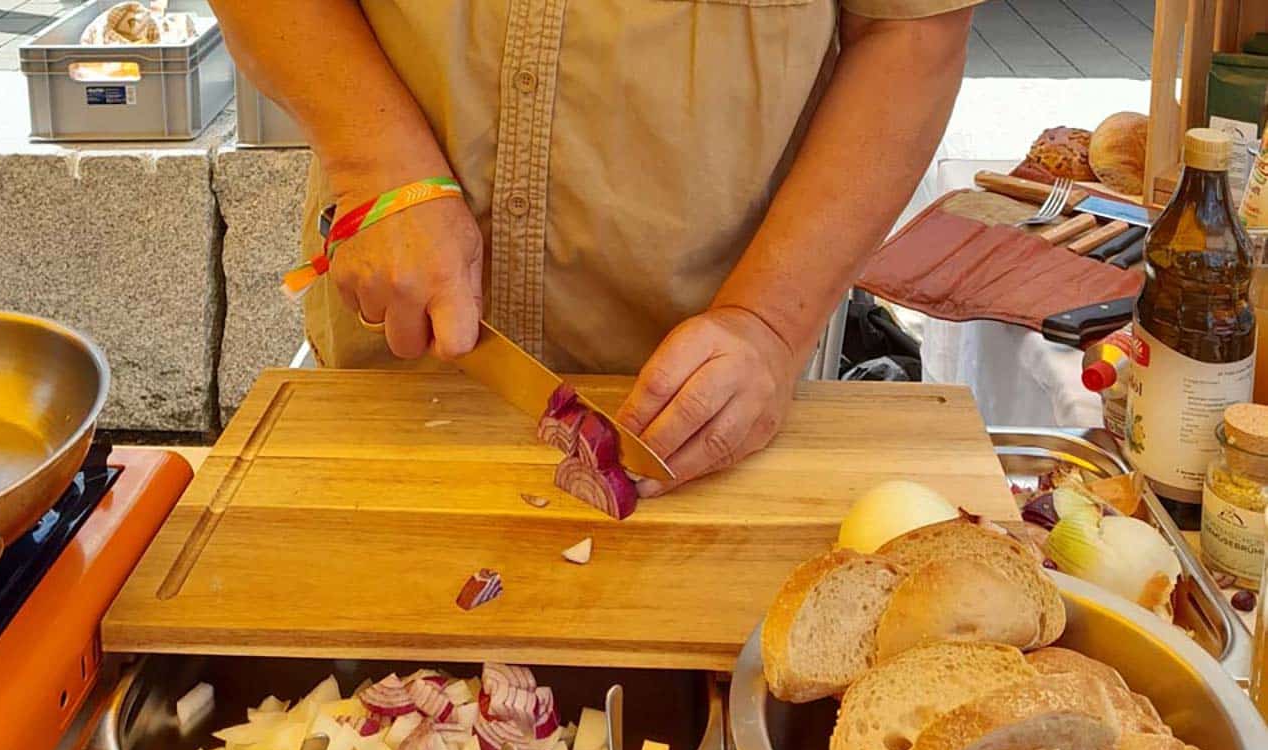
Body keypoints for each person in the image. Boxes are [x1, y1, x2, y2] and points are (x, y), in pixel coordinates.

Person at [211, 0, 976, 495]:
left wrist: (769, 321)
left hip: (711, 395)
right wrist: (374, 158)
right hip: (396, 340)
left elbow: (911, 32)